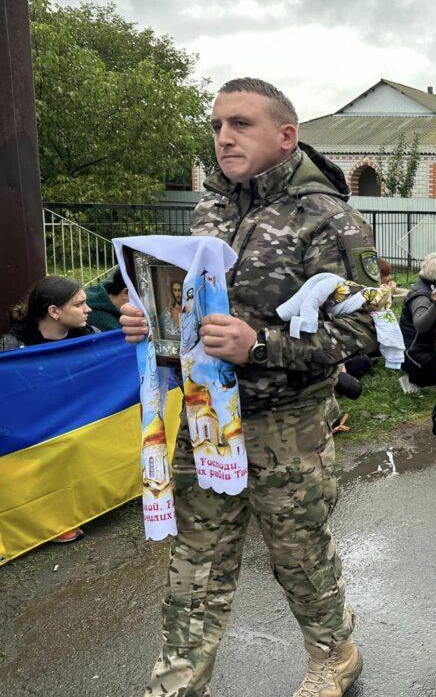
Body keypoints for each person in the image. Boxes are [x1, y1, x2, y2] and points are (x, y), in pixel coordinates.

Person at [119, 77, 379, 697]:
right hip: (209, 418)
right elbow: (185, 310)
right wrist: (151, 323)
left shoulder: (329, 218)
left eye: (241, 124)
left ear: (286, 136)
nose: (223, 137)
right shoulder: (208, 211)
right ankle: (178, 679)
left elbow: (363, 331)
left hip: (286, 424)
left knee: (298, 555)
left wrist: (259, 344)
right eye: (216, 125)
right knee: (196, 558)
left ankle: (333, 653)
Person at [1, 275, 98, 543]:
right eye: (79, 304)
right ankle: (52, 520)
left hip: (79, 418)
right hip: (36, 427)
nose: (88, 310)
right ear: (54, 312)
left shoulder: (91, 337)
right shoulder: (13, 347)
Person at [399, 251, 436, 388]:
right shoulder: (421, 297)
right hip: (416, 357)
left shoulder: (427, 287)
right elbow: (421, 325)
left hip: (423, 350)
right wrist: (435, 305)